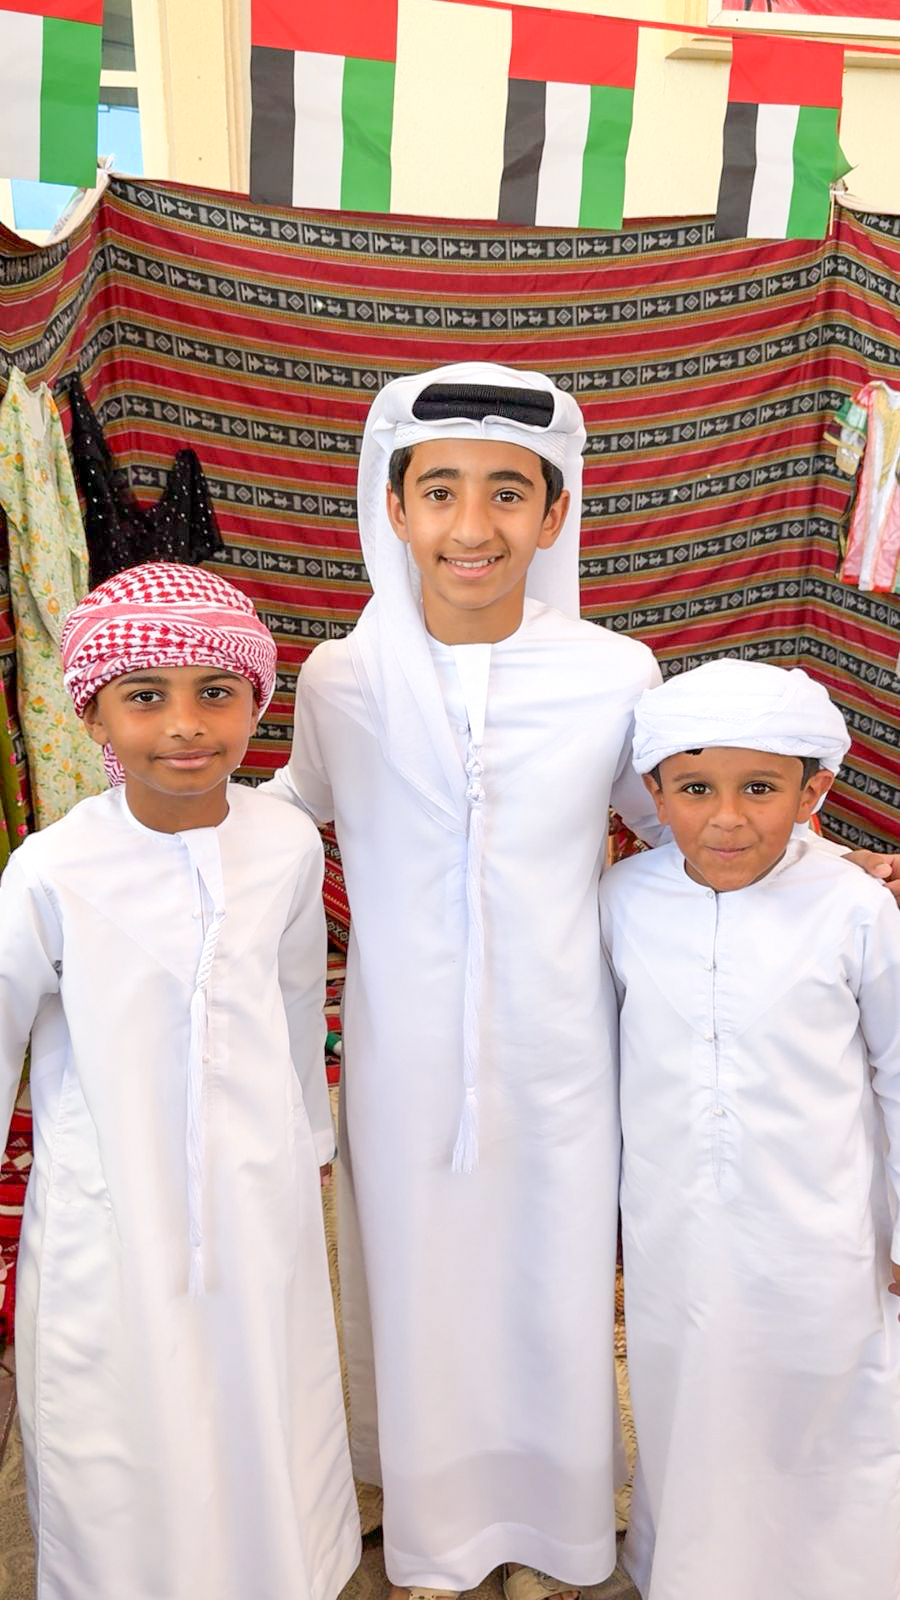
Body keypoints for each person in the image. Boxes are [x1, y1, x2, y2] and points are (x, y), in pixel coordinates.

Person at [266, 361, 668, 1600]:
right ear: (395, 508)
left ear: (556, 513)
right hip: (401, 1057)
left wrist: (823, 863)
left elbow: (678, 823)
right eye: (440, 491)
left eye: (508, 492)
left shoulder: (617, 671)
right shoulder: (341, 677)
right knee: (421, 1287)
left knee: (551, 1285)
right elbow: (284, 814)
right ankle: (436, 1535)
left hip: (561, 1053)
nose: (472, 525)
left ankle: (554, 1534)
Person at [0, 563, 361, 1600]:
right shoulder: (53, 868)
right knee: (124, 1416)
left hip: (259, 1190)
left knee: (263, 1395)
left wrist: (307, 1142)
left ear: (256, 703)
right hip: (111, 1205)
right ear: (95, 715)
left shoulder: (285, 842)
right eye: (145, 697)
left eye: (216, 693)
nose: (186, 726)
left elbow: (296, 1003)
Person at [598, 659, 900, 1600]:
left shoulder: (854, 905)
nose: (726, 819)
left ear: (814, 792)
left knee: (824, 1394)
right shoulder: (623, 899)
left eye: (760, 789)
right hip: (675, 1221)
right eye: (695, 790)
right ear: (654, 796)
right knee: (690, 1395)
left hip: (820, 1225)